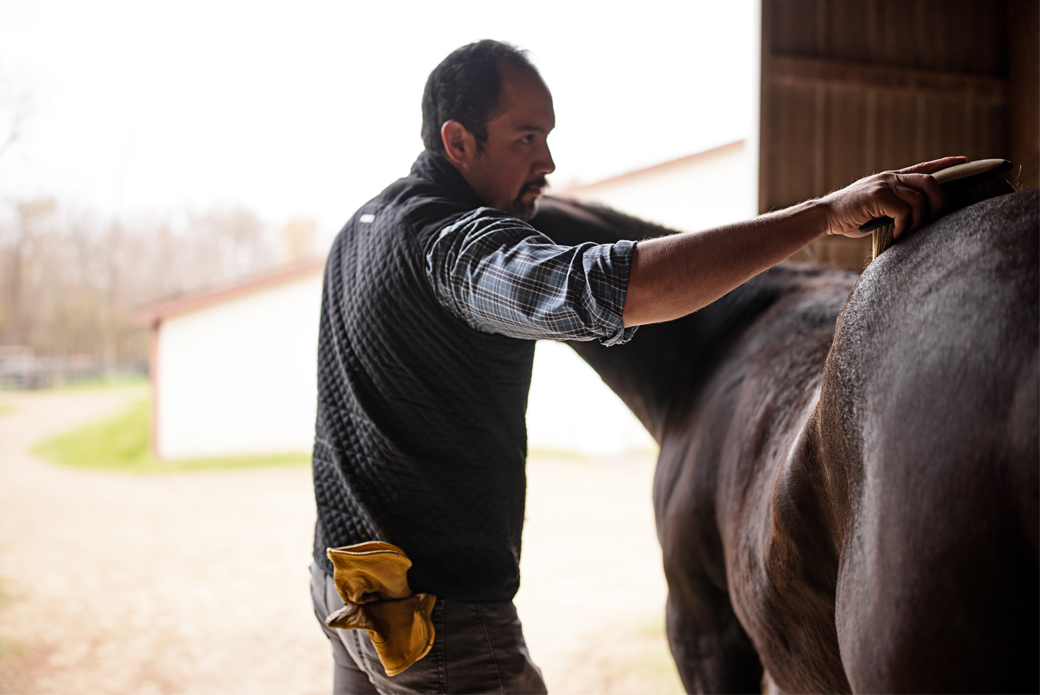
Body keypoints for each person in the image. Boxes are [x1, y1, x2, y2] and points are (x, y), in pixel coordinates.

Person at [308, 39, 962, 694]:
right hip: (436, 620)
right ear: (458, 142)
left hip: (342, 586)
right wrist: (824, 214)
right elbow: (611, 290)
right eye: (526, 137)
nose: (548, 161)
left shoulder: (360, 231)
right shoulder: (452, 247)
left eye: (548, 135)